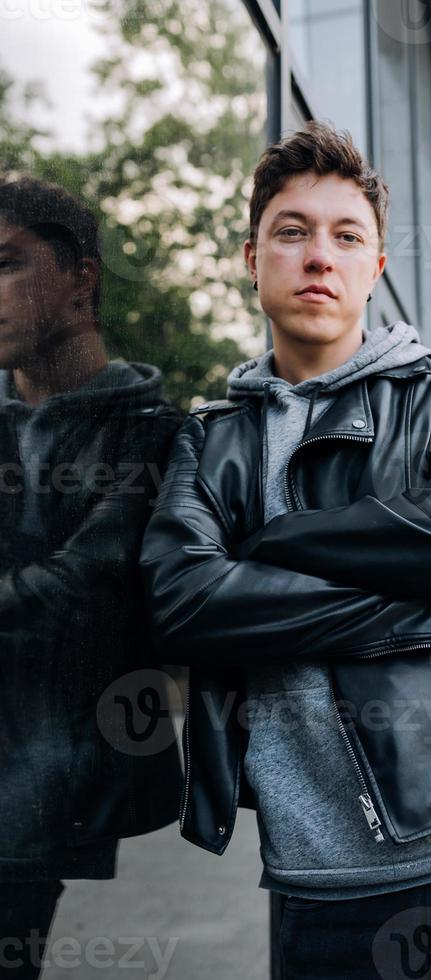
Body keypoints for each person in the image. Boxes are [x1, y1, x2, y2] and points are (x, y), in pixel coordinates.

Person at [140, 123, 431, 978]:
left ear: (376, 268)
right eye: (292, 232)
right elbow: (183, 607)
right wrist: (425, 606)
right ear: (252, 258)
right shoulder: (206, 445)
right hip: (327, 881)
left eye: (347, 237)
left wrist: (267, 545)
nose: (320, 255)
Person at [0, 176, 182, 978]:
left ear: (82, 278)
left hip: (36, 797)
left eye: (6, 263)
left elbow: (85, 590)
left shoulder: (154, 433)